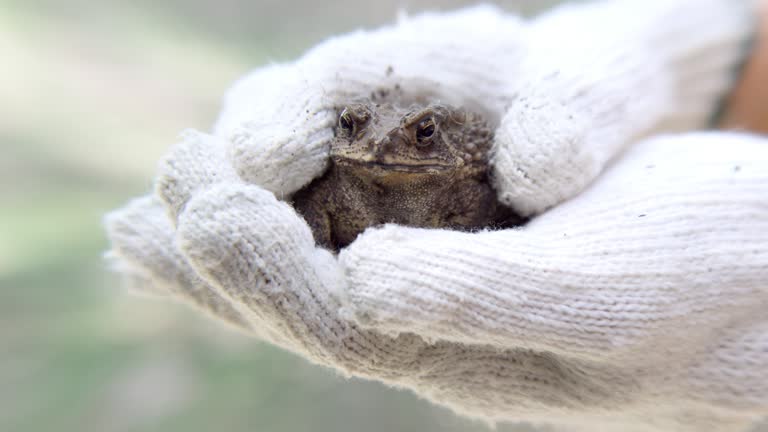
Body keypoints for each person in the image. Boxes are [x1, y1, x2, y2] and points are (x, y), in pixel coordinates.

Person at [105, 1, 768, 431]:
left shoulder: (466, 178)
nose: (381, 146)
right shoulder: (341, 175)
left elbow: (507, 204)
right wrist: (711, 38)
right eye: (354, 126)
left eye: (418, 135)